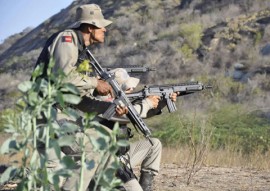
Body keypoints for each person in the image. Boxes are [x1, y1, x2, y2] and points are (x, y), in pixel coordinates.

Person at [34, 4, 128, 191]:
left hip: (58, 112)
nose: (105, 29)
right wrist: (95, 83)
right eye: (101, 26)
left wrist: (104, 103)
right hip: (48, 113)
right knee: (89, 152)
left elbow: (78, 93)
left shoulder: (81, 50)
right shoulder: (67, 39)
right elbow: (63, 77)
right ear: (89, 27)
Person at [95, 68, 178, 191]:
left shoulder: (119, 102)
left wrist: (161, 103)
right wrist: (147, 103)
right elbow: (124, 116)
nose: (131, 90)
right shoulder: (101, 103)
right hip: (104, 162)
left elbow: (136, 115)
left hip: (121, 156)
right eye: (127, 88)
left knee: (153, 145)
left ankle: (145, 187)